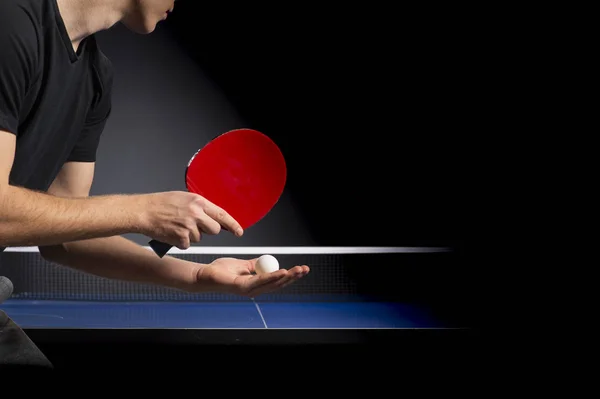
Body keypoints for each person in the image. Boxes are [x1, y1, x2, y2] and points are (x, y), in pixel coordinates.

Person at [0, 0, 310, 369]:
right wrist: (142, 210)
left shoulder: (95, 78)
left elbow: (63, 239)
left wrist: (196, 275)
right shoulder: (11, 25)